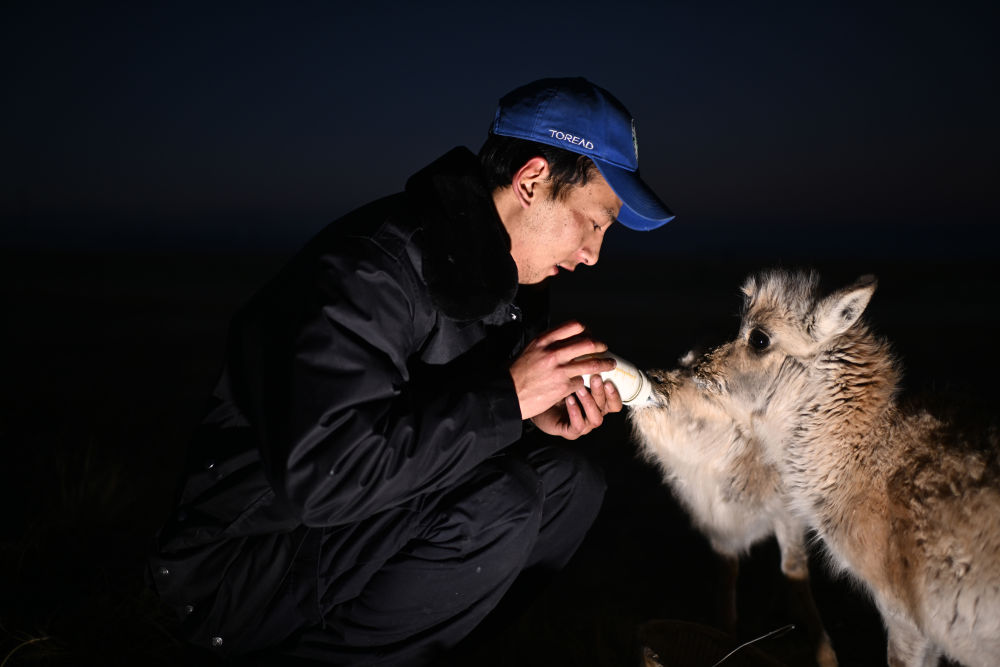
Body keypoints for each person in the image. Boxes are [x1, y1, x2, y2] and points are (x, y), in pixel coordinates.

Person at [147, 77, 674, 665]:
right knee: (504, 500)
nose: (593, 254)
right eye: (595, 223)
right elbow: (327, 478)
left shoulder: (501, 279)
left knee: (571, 485)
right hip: (238, 563)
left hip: (336, 531)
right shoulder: (372, 270)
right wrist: (507, 400)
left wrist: (530, 415)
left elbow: (434, 416)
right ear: (531, 182)